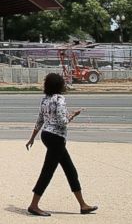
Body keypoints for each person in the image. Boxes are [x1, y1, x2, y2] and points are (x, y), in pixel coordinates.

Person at [25, 73, 97, 216]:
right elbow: (62, 121)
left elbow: (40, 119)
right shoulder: (60, 99)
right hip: (56, 138)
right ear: (59, 85)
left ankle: (83, 205)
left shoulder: (45, 99)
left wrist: (32, 137)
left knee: (70, 170)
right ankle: (33, 205)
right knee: (47, 172)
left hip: (46, 135)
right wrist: (73, 115)